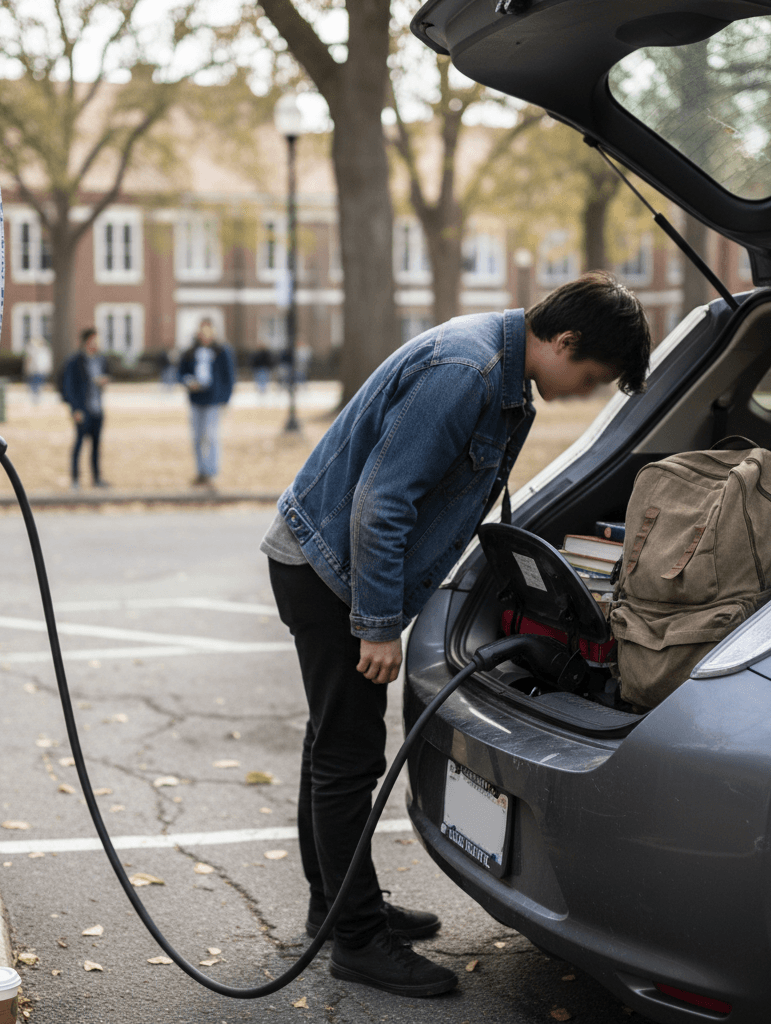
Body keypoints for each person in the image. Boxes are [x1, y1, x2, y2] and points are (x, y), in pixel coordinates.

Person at [261, 273, 651, 998]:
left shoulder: (500, 370)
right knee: (348, 758)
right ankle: (357, 941)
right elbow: (382, 504)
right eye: (591, 375)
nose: (585, 391)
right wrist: (377, 626)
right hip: (330, 574)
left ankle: (337, 903)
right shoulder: (467, 372)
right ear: (564, 341)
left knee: (331, 744)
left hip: (328, 563)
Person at [178, 319, 235, 486]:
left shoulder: (222, 351)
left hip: (213, 400)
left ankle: (211, 471)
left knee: (211, 437)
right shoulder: (190, 351)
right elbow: (181, 373)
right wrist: (188, 382)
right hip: (196, 399)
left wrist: (226, 399)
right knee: (197, 437)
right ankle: (201, 471)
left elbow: (229, 377)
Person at [61, 327, 109, 490]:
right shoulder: (75, 361)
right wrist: (75, 409)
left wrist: (103, 383)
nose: (96, 343)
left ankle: (96, 478)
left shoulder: (100, 360)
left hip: (97, 408)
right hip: (83, 409)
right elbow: (68, 387)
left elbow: (104, 376)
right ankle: (75, 478)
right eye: (93, 340)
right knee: (79, 444)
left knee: (96, 445)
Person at [23, 335, 53, 403]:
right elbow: (29, 361)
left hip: (40, 371)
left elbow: (46, 362)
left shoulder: (44, 350)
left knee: (38, 386)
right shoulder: (33, 350)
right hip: (34, 371)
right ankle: (35, 399)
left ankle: (36, 399)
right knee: (34, 386)